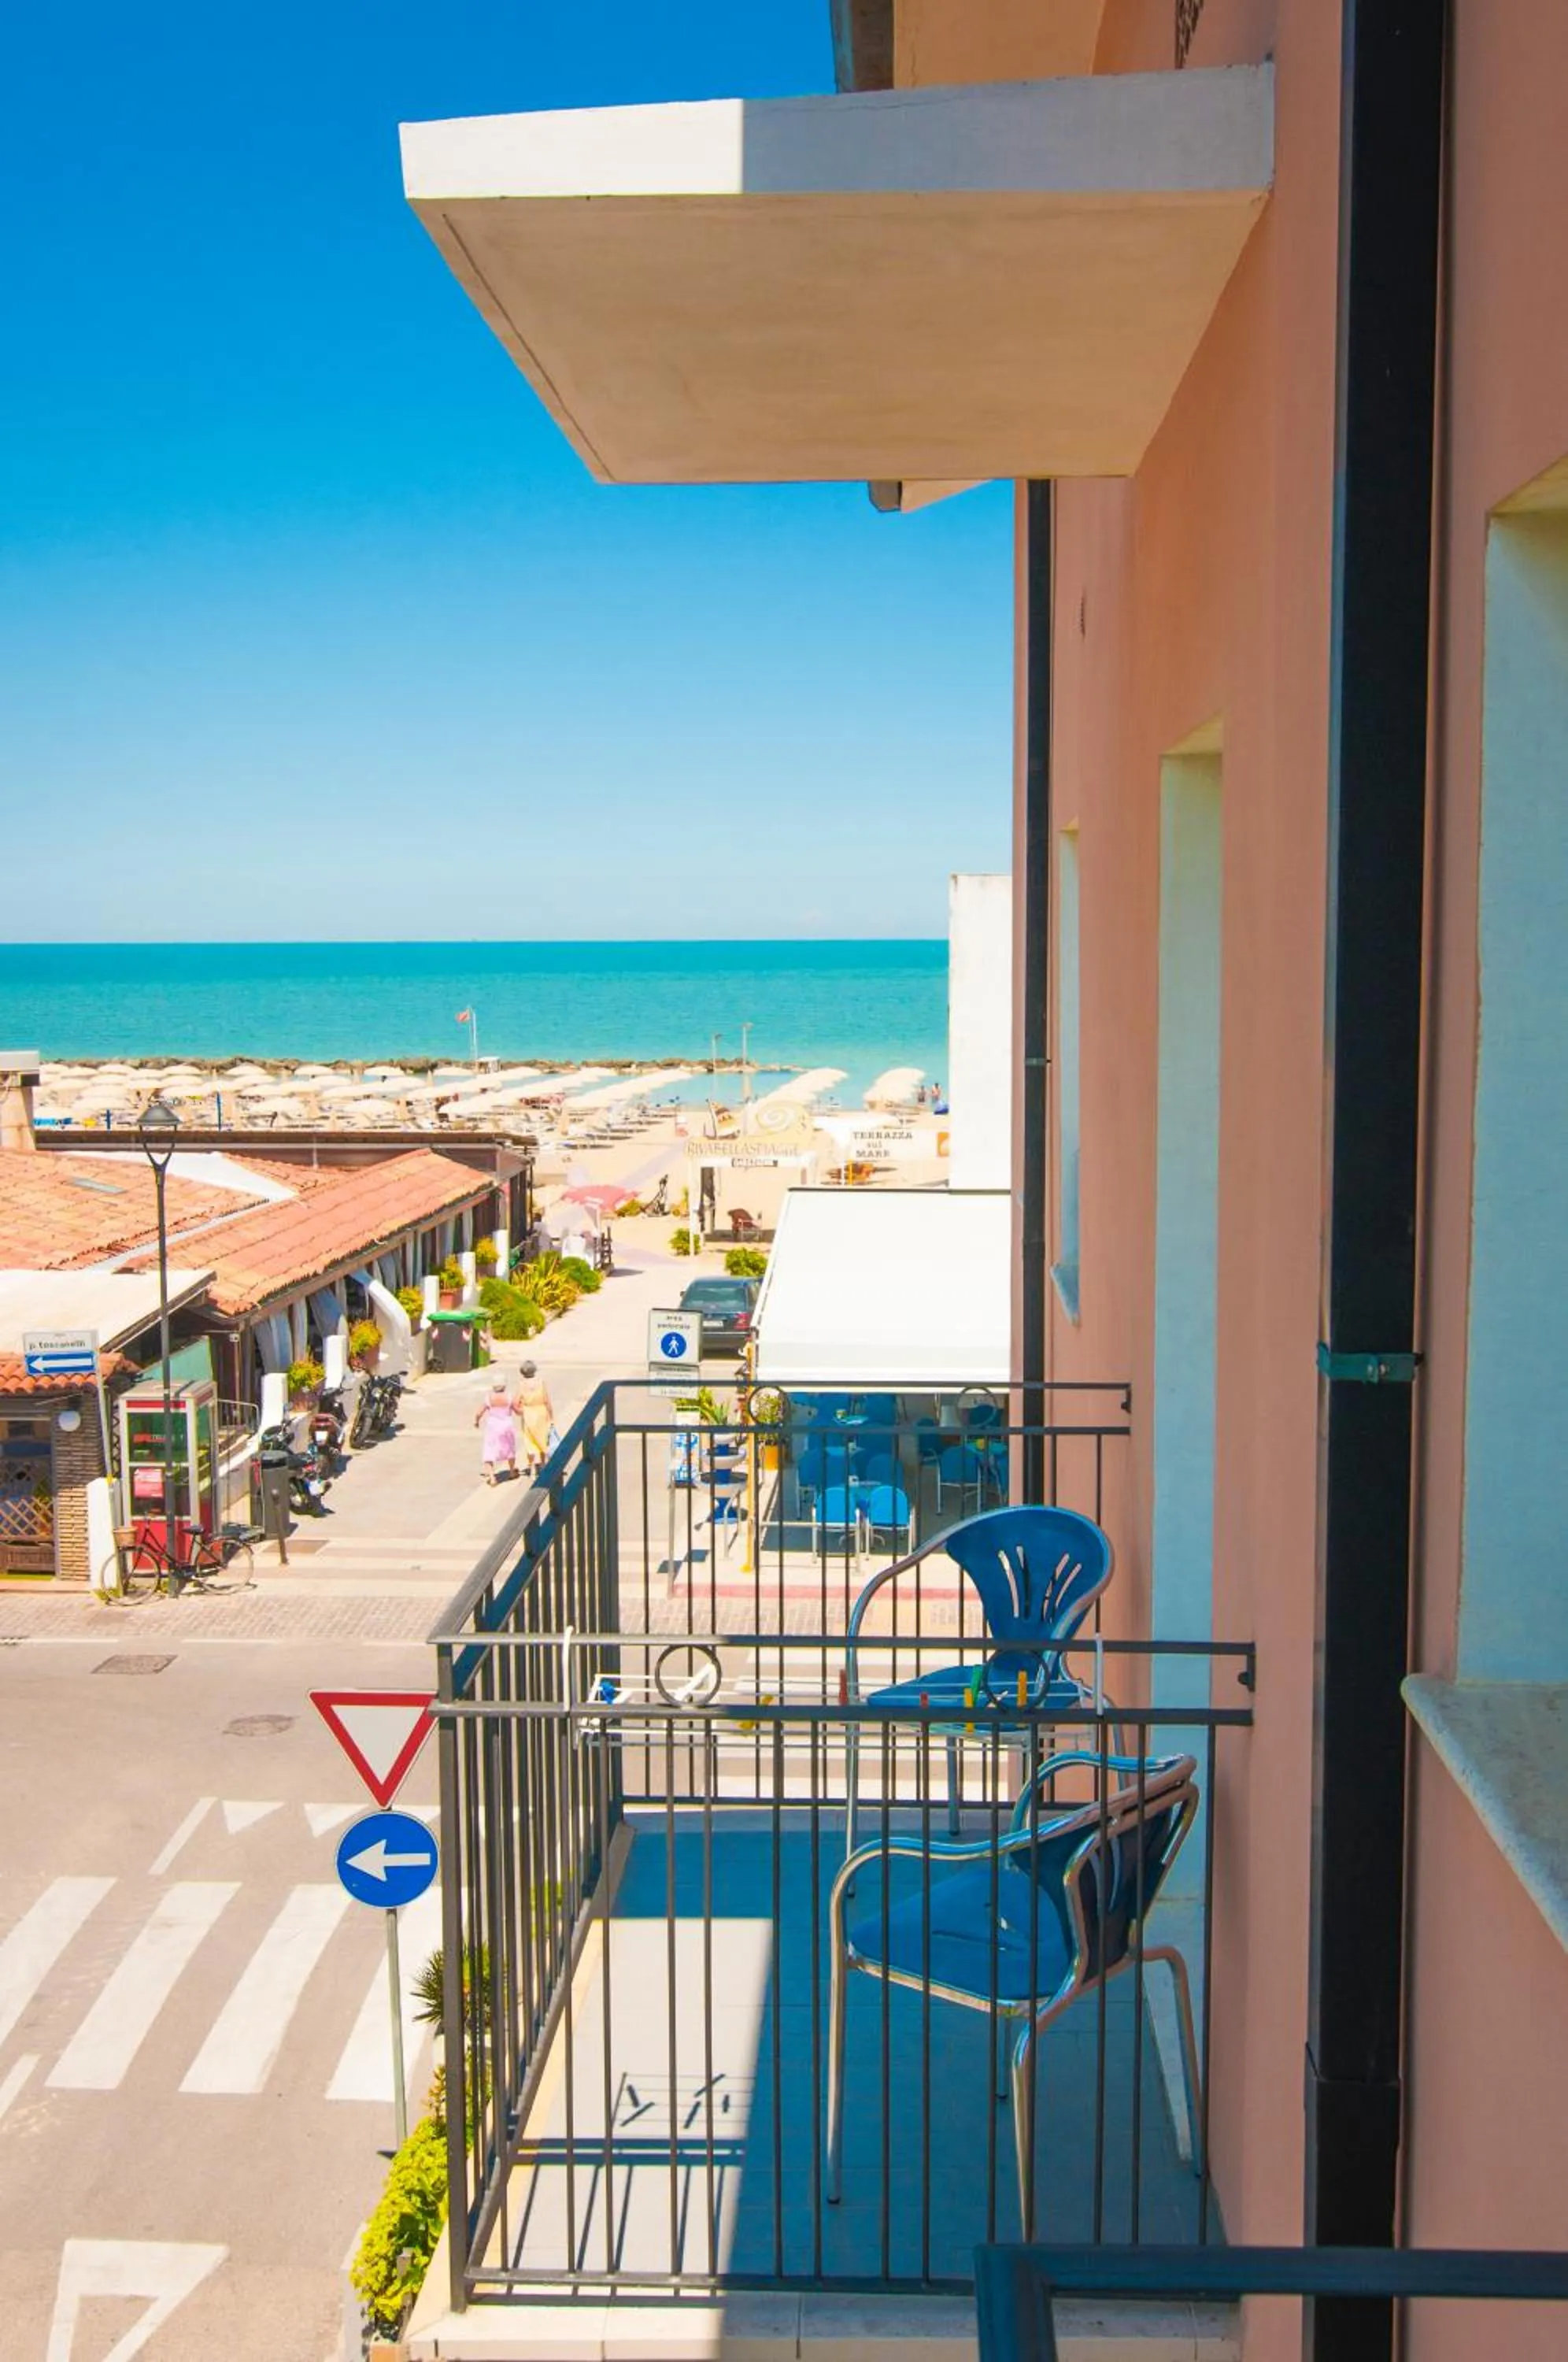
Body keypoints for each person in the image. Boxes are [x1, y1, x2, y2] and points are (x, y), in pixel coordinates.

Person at [474, 1380, 520, 1486]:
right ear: (504, 1386)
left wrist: (476, 1421)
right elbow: (518, 1411)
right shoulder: (509, 1397)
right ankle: (512, 1472)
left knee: (489, 1450)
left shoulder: (488, 1398)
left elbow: (479, 1412)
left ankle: (492, 1477)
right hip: (506, 1426)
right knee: (509, 1448)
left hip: (493, 1427)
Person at [513, 1359, 554, 1475]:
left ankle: (532, 1468)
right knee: (542, 1439)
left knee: (530, 1441)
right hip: (541, 1412)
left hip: (528, 1413)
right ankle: (543, 1465)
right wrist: (551, 1416)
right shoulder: (541, 1382)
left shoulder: (522, 1385)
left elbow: (515, 1403)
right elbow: (547, 1401)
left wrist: (520, 1412)